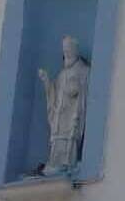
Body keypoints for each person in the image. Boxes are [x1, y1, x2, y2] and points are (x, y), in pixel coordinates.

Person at [36, 34, 90, 175]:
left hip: (72, 115)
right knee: (58, 139)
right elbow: (54, 93)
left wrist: (76, 88)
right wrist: (47, 82)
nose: (66, 52)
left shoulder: (83, 70)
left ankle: (67, 163)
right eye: (65, 50)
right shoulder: (62, 74)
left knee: (68, 140)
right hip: (61, 115)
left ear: (74, 50)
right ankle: (55, 164)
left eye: (69, 49)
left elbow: (82, 90)